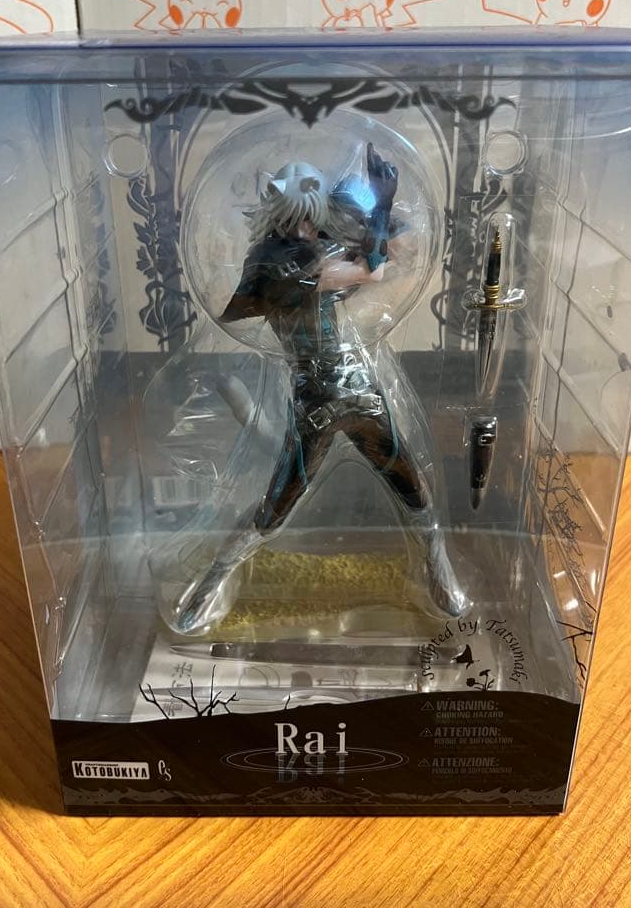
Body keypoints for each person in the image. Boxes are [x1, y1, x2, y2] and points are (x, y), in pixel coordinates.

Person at [173, 144, 467, 633]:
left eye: (313, 219)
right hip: (315, 398)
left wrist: (377, 208)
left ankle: (437, 564)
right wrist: (383, 204)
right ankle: (212, 581)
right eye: (302, 219)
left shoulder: (308, 248)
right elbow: (370, 269)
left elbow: (387, 254)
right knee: (276, 508)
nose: (309, 229)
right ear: (284, 215)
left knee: (409, 482)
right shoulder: (278, 263)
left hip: (358, 384)